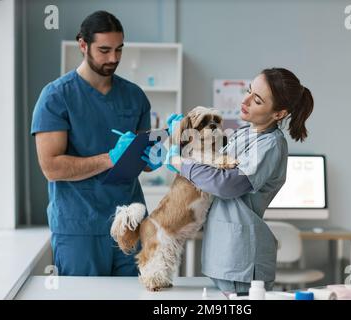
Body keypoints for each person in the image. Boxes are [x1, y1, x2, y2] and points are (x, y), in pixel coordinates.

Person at [31, 11, 164, 276]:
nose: (113, 58)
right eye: (104, 50)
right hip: (80, 228)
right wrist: (110, 158)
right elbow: (51, 167)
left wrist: (155, 156)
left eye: (118, 49)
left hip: (131, 223)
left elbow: (142, 164)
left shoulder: (134, 96)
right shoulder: (56, 97)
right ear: (83, 44)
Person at [165, 68, 314, 293]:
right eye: (248, 91)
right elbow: (212, 160)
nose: (245, 100)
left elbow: (226, 184)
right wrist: (182, 136)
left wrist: (180, 163)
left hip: (242, 258)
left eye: (256, 99)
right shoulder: (244, 132)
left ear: (279, 114)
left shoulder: (270, 145)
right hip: (223, 252)